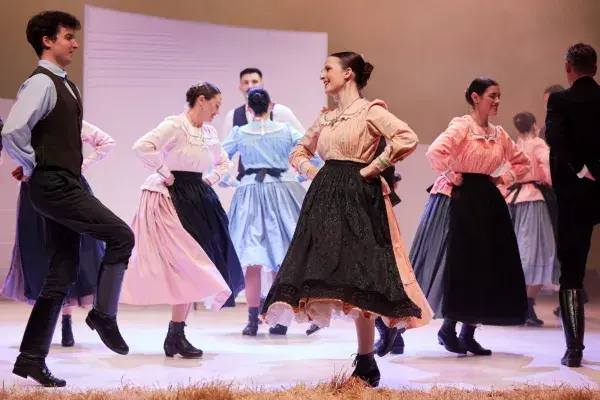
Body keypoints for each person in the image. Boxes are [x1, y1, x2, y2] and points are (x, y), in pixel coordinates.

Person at [261, 52, 433, 387]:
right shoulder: (326, 117)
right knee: (330, 271)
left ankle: (367, 358)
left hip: (359, 197)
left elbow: (406, 138)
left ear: (348, 73)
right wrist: (314, 172)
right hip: (325, 198)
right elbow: (299, 150)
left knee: (362, 272)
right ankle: (368, 352)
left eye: (328, 69)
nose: (322, 75)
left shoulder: (371, 111)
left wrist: (372, 168)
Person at [0, 10, 135, 387]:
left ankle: (31, 358)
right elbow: (12, 131)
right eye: (67, 37)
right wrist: (33, 166)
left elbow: (47, 134)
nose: (75, 43)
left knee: (61, 273)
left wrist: (37, 163)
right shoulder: (40, 83)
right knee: (121, 236)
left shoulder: (67, 86)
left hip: (62, 182)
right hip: (56, 185)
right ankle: (103, 315)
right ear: (47, 41)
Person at [376, 78, 531, 357]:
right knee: (441, 264)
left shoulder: (498, 134)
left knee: (482, 265)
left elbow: (522, 162)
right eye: (492, 96)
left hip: (485, 199)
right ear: (475, 97)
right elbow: (436, 151)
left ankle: (464, 333)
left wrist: (502, 178)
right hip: (456, 198)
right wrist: (451, 174)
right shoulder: (462, 126)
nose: (497, 101)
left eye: (499, 96)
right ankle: (395, 328)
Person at [120, 82, 244, 358]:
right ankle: (175, 334)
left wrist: (209, 180)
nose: (217, 112)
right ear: (201, 100)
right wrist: (165, 172)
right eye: (215, 105)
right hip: (170, 197)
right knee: (186, 262)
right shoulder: (175, 125)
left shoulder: (209, 132)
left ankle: (176, 334)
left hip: (197, 196)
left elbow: (223, 161)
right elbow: (142, 146)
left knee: (194, 265)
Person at [2, 121, 115, 347]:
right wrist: (26, 167)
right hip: (34, 188)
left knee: (71, 248)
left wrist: (79, 166)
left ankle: (66, 320)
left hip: (68, 186)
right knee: (39, 251)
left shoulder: (70, 120)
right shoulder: (27, 123)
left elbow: (106, 142)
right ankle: (49, 323)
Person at [222, 87, 317, 337]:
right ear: (271, 105)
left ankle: (252, 321)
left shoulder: (240, 132)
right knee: (281, 255)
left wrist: (230, 181)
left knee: (253, 257)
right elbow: (313, 155)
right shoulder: (286, 130)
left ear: (249, 108)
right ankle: (279, 320)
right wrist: (298, 177)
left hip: (251, 192)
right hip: (283, 191)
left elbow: (219, 159)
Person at [545, 43, 600, 368]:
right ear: (595, 67)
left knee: (572, 272)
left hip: (574, 196)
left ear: (568, 66)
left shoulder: (560, 100)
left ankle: (574, 349)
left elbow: (555, 138)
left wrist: (581, 169)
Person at [503, 112, 559, 327]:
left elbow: (507, 174)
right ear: (534, 126)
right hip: (533, 200)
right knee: (538, 250)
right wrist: (551, 183)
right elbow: (548, 167)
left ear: (517, 129)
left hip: (513, 200)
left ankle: (519, 304)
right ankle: (526, 304)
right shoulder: (537, 144)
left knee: (518, 249)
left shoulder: (514, 146)